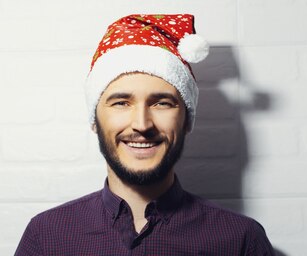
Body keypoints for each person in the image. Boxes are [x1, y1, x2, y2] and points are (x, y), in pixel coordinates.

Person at [14, 14, 274, 255]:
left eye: (161, 103)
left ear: (186, 120)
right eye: (121, 103)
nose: (141, 124)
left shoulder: (241, 239)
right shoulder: (46, 235)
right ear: (95, 119)